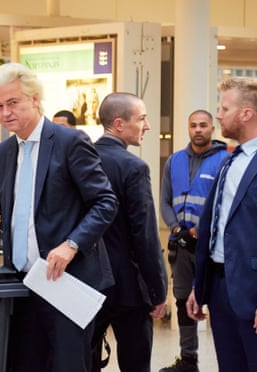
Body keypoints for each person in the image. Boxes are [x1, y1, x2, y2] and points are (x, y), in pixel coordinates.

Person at [0, 62, 118, 372]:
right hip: (22, 283)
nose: (5, 113)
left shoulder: (70, 143)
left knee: (68, 365)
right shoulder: (3, 152)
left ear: (35, 99)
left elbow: (105, 202)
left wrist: (72, 244)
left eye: (13, 103)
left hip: (66, 282)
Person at [186, 77, 257, 372]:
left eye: (224, 108)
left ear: (246, 113)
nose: (217, 115)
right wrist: (200, 285)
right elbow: (213, 226)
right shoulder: (228, 160)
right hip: (220, 288)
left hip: (255, 291)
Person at [91, 92, 168, 372]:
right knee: (135, 362)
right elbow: (144, 234)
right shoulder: (133, 167)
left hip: (86, 280)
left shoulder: (80, 160)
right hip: (128, 286)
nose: (147, 126)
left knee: (85, 359)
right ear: (119, 124)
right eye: (143, 119)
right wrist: (158, 289)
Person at [160, 109, 229, 372]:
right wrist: (176, 227)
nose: (198, 130)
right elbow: (165, 201)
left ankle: (228, 360)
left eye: (203, 125)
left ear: (212, 129)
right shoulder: (174, 160)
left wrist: (199, 229)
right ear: (188, 129)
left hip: (211, 246)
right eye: (193, 125)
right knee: (181, 300)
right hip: (181, 245)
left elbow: (223, 202)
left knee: (217, 300)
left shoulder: (225, 160)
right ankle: (188, 360)